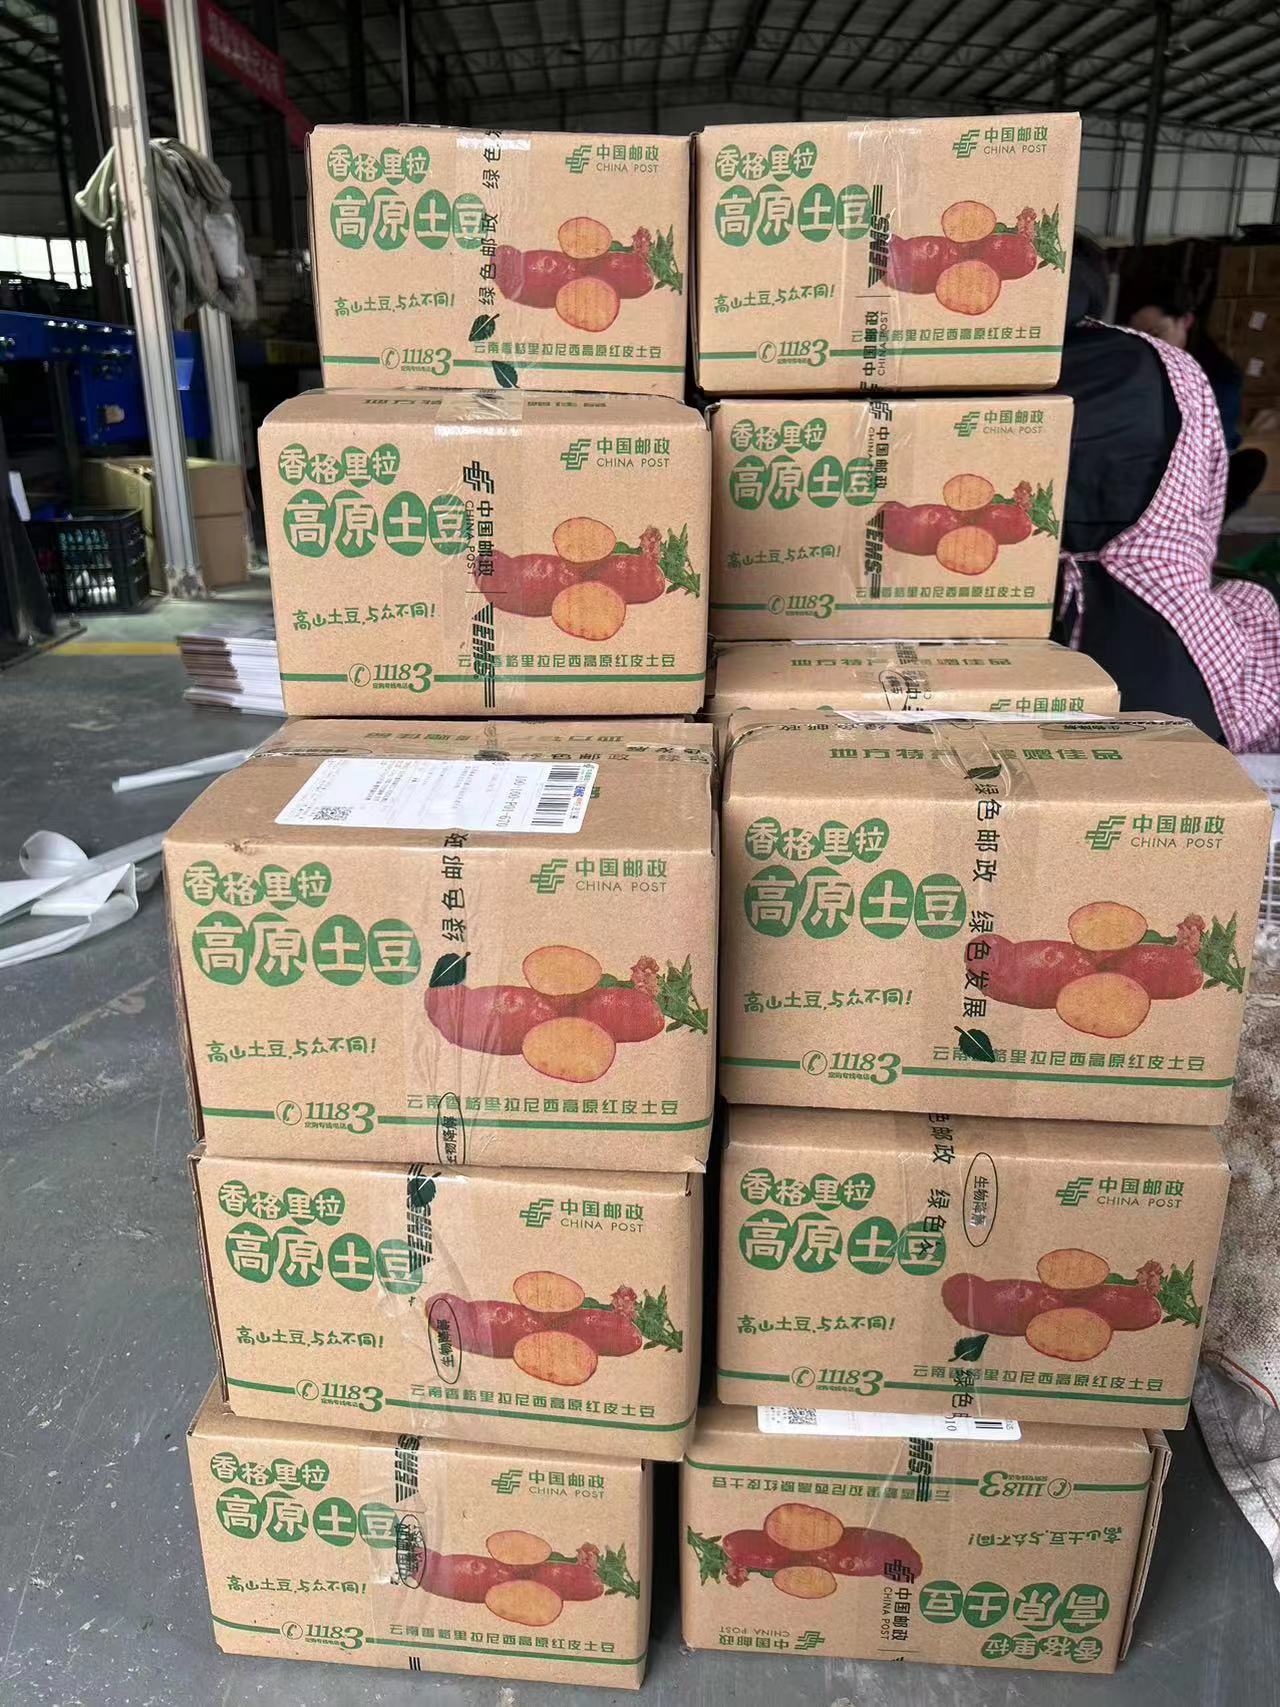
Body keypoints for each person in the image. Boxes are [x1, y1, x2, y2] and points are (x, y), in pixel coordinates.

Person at [1054, 234, 1280, 752]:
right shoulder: (1170, 366)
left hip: (1011, 646)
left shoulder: (963, 370)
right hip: (1174, 659)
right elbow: (1207, 510)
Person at [1128, 287, 1267, 515]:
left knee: (1251, 464)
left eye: (1156, 333)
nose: (1147, 345)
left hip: (1188, 475)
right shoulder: (1133, 363)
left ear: (1186, 321)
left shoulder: (1219, 377)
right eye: (1135, 336)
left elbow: (1213, 448)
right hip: (1137, 468)